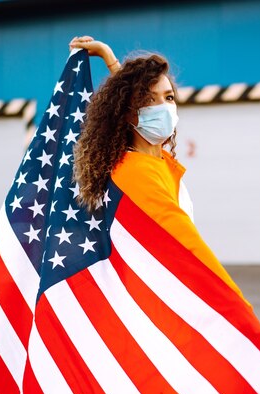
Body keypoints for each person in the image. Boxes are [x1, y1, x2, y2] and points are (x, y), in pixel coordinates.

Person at [69, 35, 248, 302]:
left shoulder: (155, 160)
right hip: (158, 298)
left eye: (169, 97)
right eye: (149, 100)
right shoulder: (137, 173)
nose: (163, 108)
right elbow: (186, 244)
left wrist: (109, 57)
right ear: (128, 112)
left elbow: (128, 97)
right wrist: (232, 299)